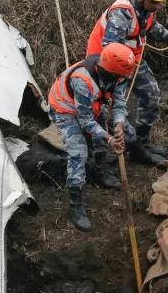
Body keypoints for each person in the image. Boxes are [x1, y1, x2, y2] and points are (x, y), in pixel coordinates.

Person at [86, 0, 168, 157]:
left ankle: (142, 142)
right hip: (107, 65)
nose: (158, 6)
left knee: (153, 95)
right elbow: (110, 48)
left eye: (160, 2)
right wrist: (123, 75)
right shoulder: (121, 13)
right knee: (111, 111)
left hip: (130, 61)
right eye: (154, 2)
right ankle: (114, 151)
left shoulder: (146, 9)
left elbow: (151, 27)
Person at [46, 43, 136, 232]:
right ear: (112, 71)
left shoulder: (116, 74)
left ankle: (100, 171)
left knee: (100, 133)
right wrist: (109, 138)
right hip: (64, 108)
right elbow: (85, 120)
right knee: (78, 152)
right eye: (121, 76)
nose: (124, 79)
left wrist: (118, 123)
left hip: (92, 104)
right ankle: (75, 204)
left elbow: (119, 101)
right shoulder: (83, 81)